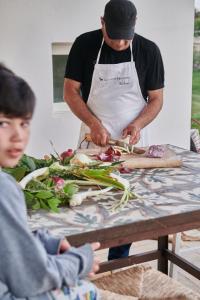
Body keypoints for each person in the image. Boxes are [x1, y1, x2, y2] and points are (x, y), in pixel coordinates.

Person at [64, 0, 164, 260]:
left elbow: (156, 98)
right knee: (85, 204)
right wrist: (94, 124)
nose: (120, 44)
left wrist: (138, 124)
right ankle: (81, 263)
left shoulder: (149, 50)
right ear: (102, 23)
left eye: (125, 38)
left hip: (132, 147)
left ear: (134, 25)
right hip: (92, 142)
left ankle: (118, 265)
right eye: (113, 37)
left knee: (126, 209)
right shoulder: (84, 45)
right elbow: (70, 92)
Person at [0, 64, 101, 300]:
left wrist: (43, 242)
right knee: (88, 291)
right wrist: (80, 261)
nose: (19, 136)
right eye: (3, 123)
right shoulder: (4, 188)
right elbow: (33, 279)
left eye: (24, 123)